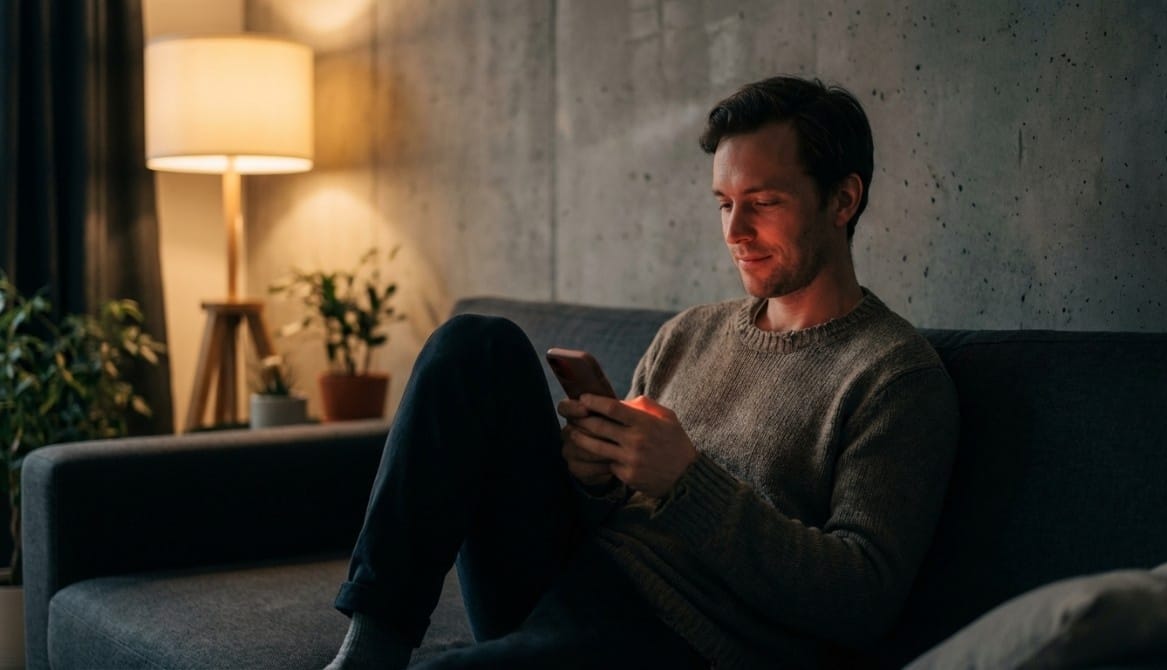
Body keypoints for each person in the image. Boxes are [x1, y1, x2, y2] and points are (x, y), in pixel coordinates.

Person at [325, 75, 959, 669]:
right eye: (724, 203)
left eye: (763, 202)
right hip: (571, 575)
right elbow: (606, 512)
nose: (735, 231)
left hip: (682, 636)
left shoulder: (894, 376)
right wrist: (594, 475)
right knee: (475, 344)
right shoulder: (690, 332)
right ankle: (370, 649)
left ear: (842, 199)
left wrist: (686, 479)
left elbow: (862, 598)